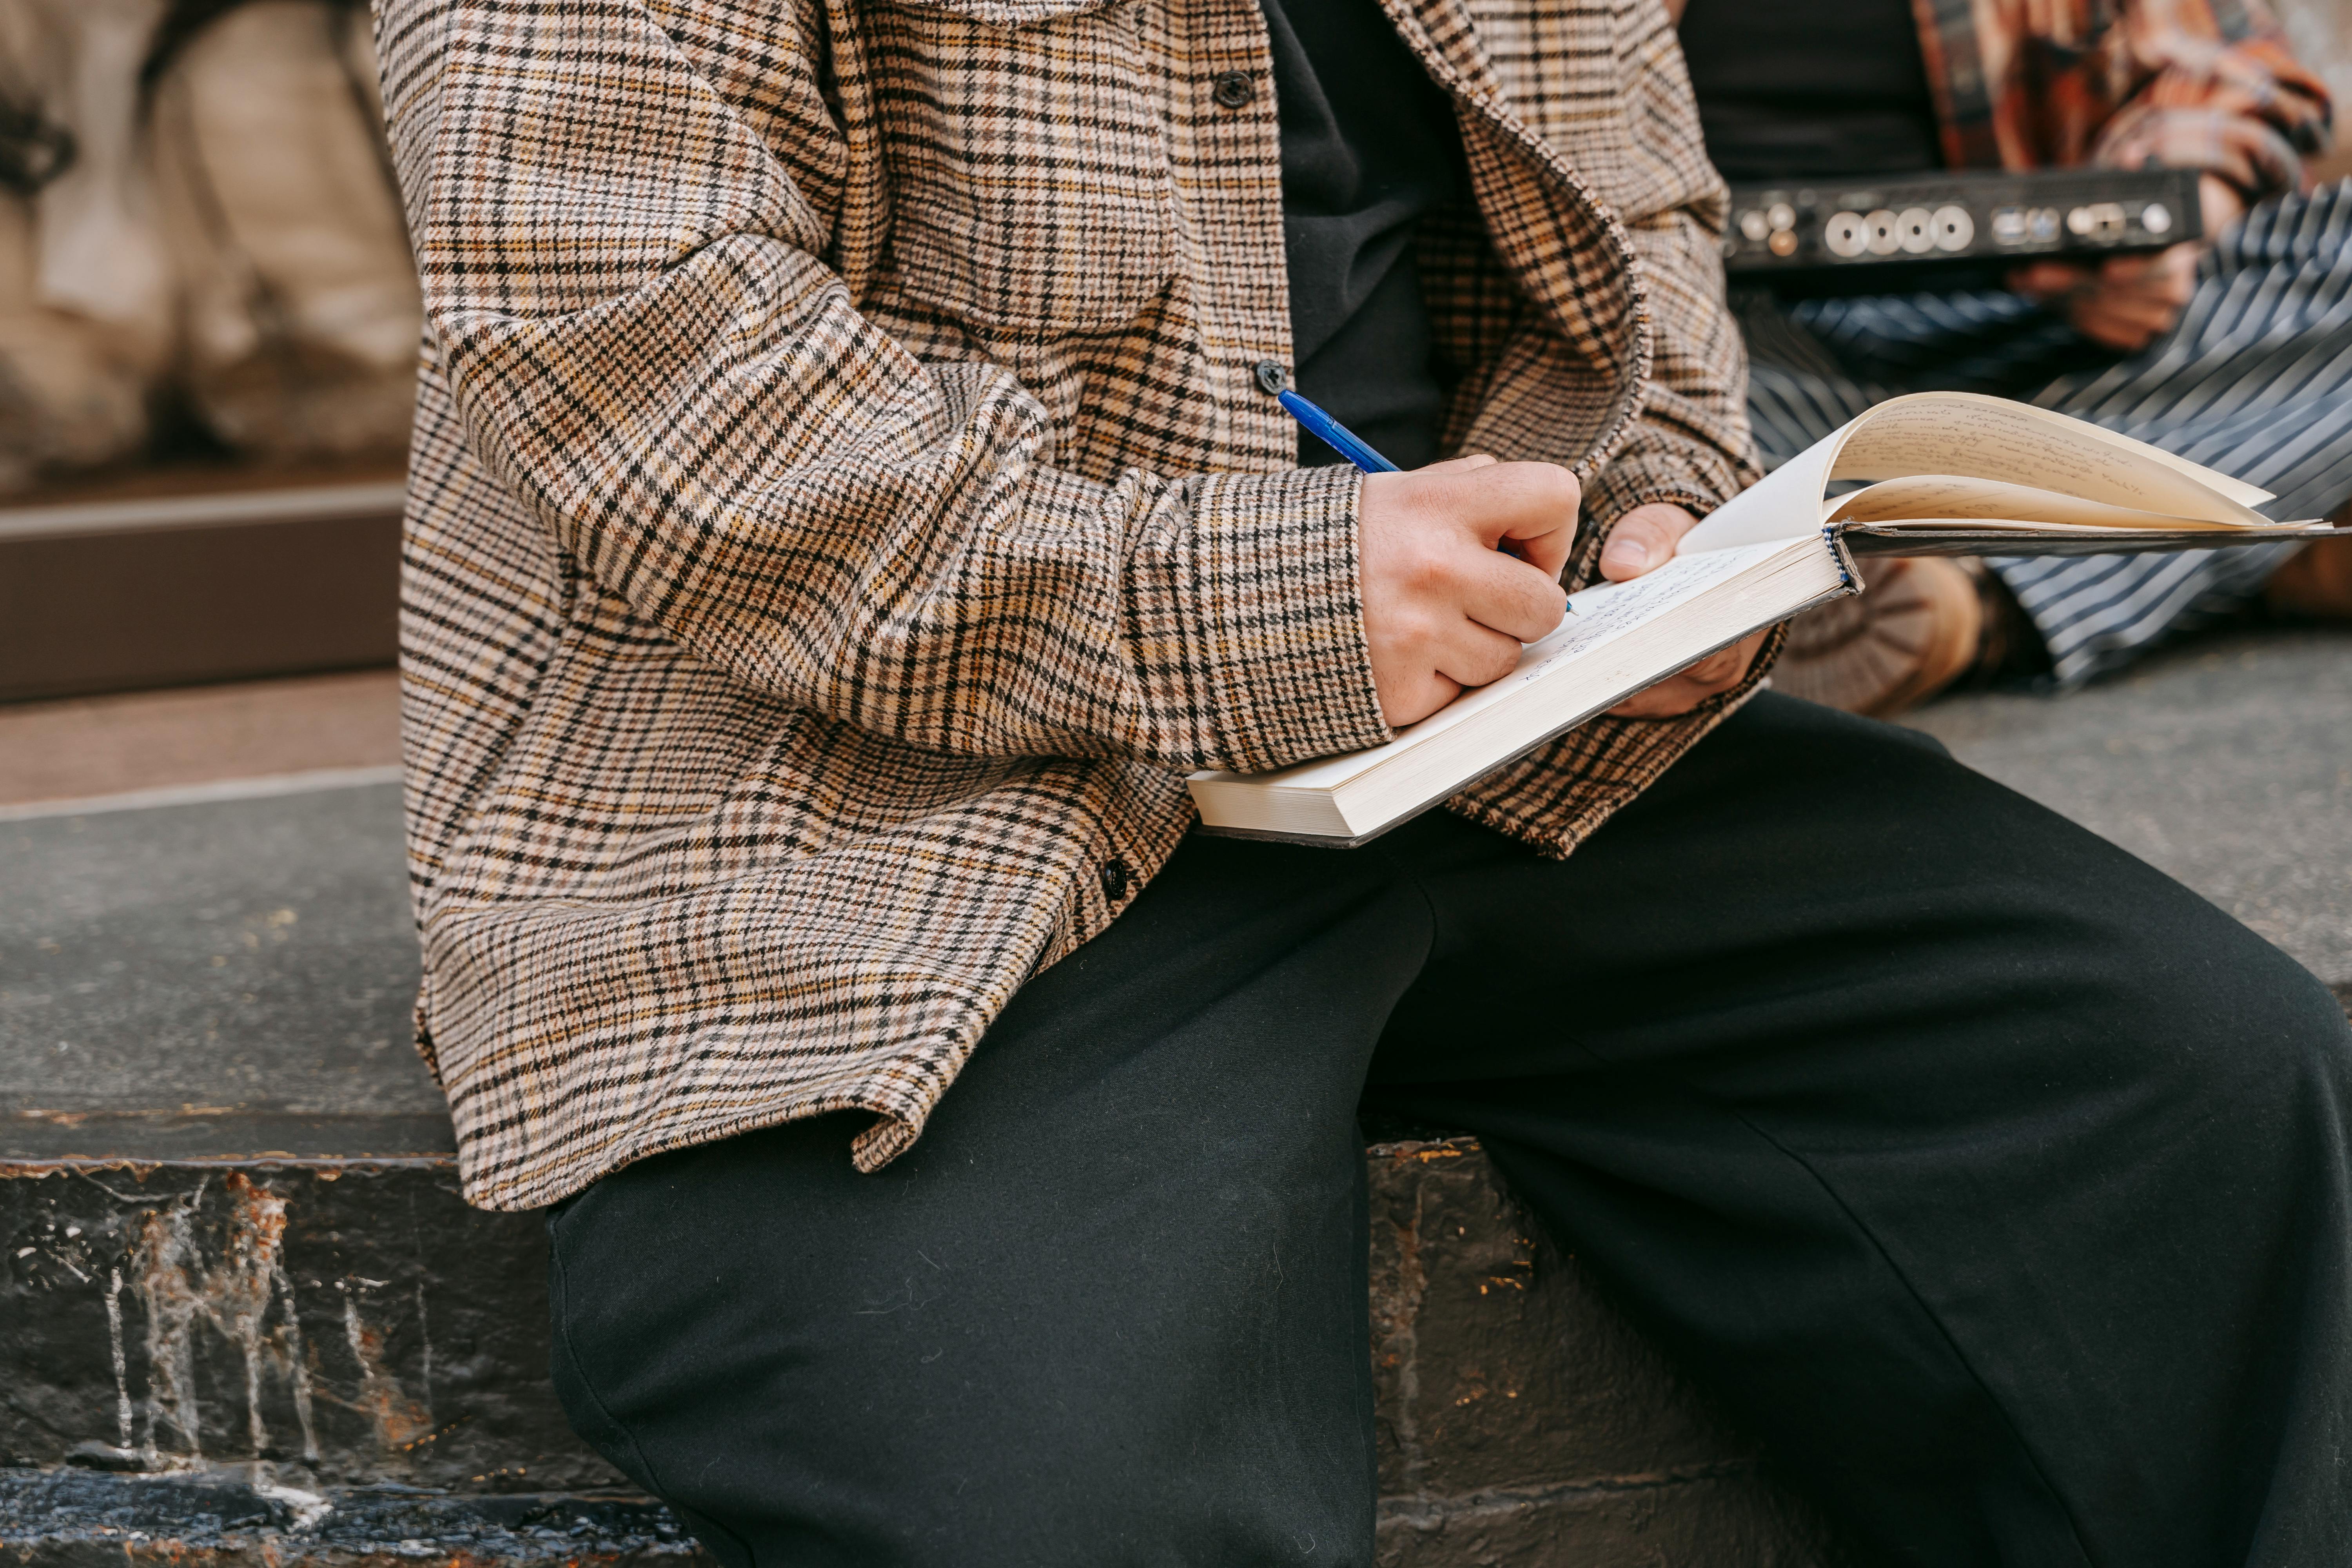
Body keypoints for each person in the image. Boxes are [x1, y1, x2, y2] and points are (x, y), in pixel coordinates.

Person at [376, 0, 2352, 1562]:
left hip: (1502, 727)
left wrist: (1664, 520)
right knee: (1062, 1489)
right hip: (872, 808)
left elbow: (1637, 211)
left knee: (2208, 1092)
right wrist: (1268, 601)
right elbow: (618, 342)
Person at [1679, 0, 2352, 713]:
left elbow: (2226, 59)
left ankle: (1967, 574)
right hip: (1740, 346)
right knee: (1627, 390)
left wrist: (2174, 209)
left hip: (2045, 320)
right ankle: (2222, 533)